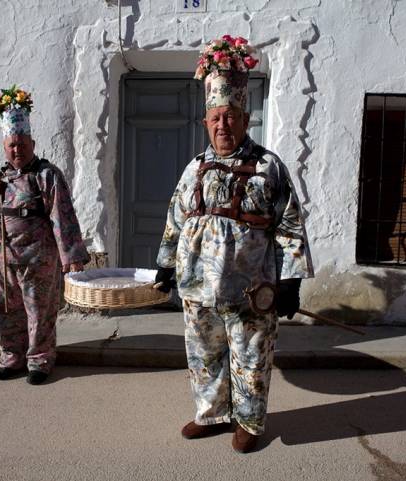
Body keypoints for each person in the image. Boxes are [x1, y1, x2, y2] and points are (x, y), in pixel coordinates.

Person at [155, 36, 314, 453]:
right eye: (215, 118)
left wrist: (290, 281)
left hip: (250, 289)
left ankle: (250, 422)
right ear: (206, 122)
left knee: (250, 359)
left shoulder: (268, 167)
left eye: (230, 116)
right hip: (198, 288)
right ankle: (212, 414)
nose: (222, 125)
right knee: (204, 356)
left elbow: (290, 224)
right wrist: (166, 265)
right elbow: (176, 216)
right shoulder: (194, 168)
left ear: (245, 118)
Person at [0, 85, 89, 385]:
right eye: (11, 145)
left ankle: (40, 360)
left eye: (21, 143)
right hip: (3, 260)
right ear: (4, 147)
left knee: (39, 312)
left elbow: (63, 216)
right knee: (8, 311)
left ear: (31, 142)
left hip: (39, 262)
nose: (16, 149)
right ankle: (11, 357)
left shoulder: (47, 176)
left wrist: (70, 257)